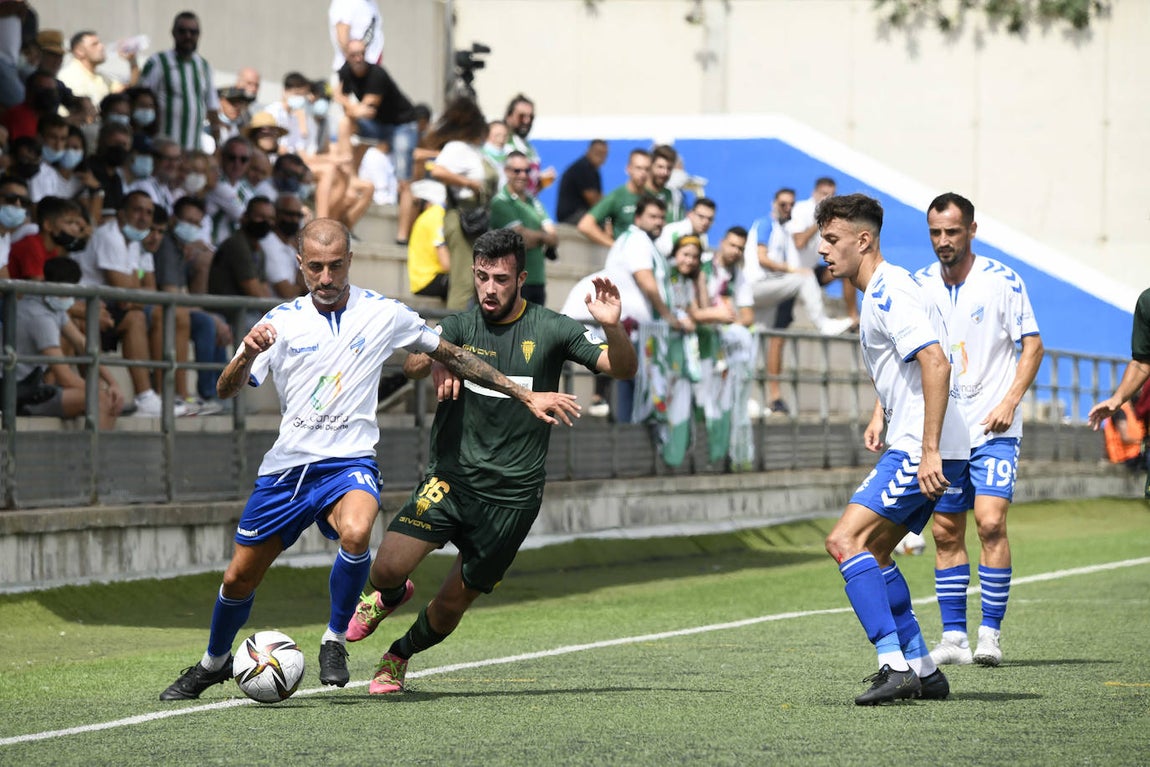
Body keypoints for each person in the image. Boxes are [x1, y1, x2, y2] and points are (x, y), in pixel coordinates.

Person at [158, 219, 580, 701]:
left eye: (336, 265)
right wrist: (245, 357)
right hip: (286, 470)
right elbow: (226, 388)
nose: (326, 276)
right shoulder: (280, 321)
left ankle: (333, 640)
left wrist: (523, 395)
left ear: (350, 261)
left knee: (358, 531)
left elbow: (454, 355)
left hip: (349, 463)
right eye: (315, 267)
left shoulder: (382, 313)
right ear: (300, 265)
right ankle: (213, 662)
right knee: (238, 577)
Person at [344, 228, 637, 694]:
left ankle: (398, 656)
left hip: (512, 498)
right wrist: (441, 357)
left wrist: (613, 326)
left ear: (521, 278)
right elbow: (412, 364)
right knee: (384, 570)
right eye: (481, 277)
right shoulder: (462, 325)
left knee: (449, 606)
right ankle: (391, 596)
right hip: (450, 479)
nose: (489, 289)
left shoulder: (552, 328)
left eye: (500, 279)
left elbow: (621, 369)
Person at [817, 193, 969, 705]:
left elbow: (936, 362)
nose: (823, 249)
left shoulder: (887, 291)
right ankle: (924, 669)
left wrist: (927, 451)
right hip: (925, 443)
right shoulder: (884, 289)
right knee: (877, 551)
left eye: (832, 239)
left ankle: (892, 664)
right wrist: (882, 409)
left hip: (922, 449)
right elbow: (911, 365)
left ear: (864, 240)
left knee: (844, 542)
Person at [914, 193, 1044, 668]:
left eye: (952, 231)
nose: (943, 241)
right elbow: (904, 355)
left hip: (994, 425)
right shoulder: (919, 285)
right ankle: (954, 638)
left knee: (990, 521)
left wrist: (1010, 401)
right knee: (947, 533)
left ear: (971, 230)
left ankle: (989, 633)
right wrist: (880, 411)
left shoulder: (1003, 281)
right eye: (935, 232)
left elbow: (1032, 346)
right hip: (944, 430)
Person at [13, 256, 123, 428]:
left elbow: (82, 344)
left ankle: (96, 452)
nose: (70, 297)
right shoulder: (38, 316)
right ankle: (93, 455)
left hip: (33, 388)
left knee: (104, 398)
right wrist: (103, 392)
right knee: (101, 400)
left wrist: (113, 383)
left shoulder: (50, 302)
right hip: (19, 394)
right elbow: (64, 377)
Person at [139, 11, 219, 151]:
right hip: (162, 148)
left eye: (193, 32)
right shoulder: (158, 62)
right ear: (173, 33)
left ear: (199, 35)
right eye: (183, 31)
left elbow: (212, 106)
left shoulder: (204, 66)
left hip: (192, 149)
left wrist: (217, 142)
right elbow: (142, 100)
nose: (188, 36)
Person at [489, 150, 557, 306]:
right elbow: (521, 239)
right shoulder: (500, 202)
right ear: (506, 171)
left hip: (537, 279)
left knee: (536, 330)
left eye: (527, 170)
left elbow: (554, 237)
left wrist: (535, 238)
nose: (523, 175)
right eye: (517, 170)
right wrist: (542, 237)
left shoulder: (534, 202)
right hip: (511, 281)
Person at [576, 148, 649, 248]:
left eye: (647, 169)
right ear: (628, 169)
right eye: (639, 168)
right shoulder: (617, 196)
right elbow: (585, 225)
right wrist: (616, 246)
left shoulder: (651, 198)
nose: (643, 173)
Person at [58, 31, 136, 105]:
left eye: (100, 43)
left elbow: (129, 90)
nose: (102, 47)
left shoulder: (101, 78)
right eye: (94, 44)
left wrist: (132, 62)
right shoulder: (68, 78)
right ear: (79, 51)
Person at [556, 139, 606, 225]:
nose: (600, 157)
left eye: (603, 154)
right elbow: (594, 200)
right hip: (571, 216)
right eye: (597, 153)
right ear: (588, 151)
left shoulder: (592, 170)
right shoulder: (583, 168)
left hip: (578, 214)